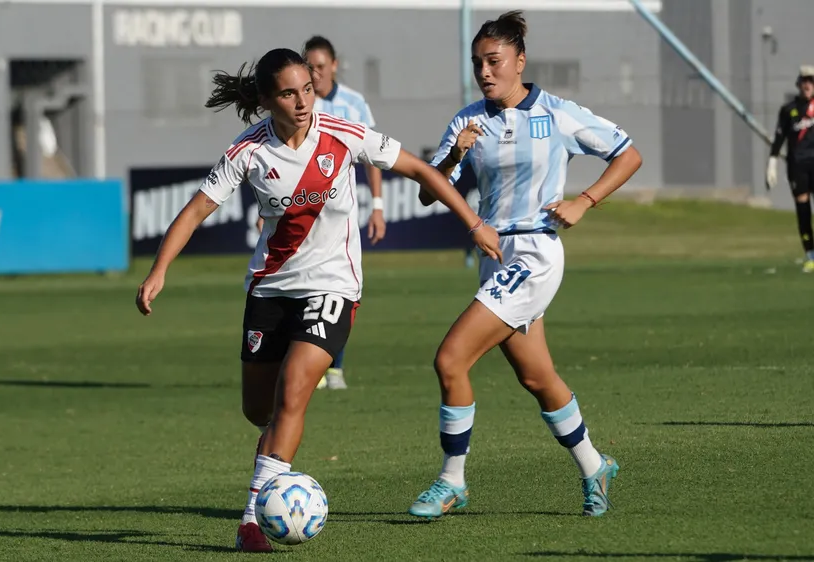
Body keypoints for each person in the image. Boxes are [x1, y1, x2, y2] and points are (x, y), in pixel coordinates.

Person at [134, 48, 495, 552]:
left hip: (333, 286)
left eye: (308, 89)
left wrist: (473, 223)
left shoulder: (343, 133)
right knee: (258, 409)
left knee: (295, 388)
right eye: (289, 93)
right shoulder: (249, 152)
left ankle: (252, 521)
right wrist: (159, 270)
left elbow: (419, 171)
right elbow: (195, 210)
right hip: (270, 289)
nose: (303, 101)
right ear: (266, 100)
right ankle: (277, 458)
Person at [408, 10, 643, 519]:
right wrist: (452, 160)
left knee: (450, 359)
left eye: (494, 61)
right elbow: (429, 195)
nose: (485, 72)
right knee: (537, 377)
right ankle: (594, 465)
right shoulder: (467, 120)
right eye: (478, 64)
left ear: (520, 61)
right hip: (494, 259)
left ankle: (452, 481)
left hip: (535, 255)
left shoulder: (556, 114)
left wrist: (585, 201)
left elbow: (627, 155)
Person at [256, 35, 386, 391]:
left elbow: (375, 156)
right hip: (298, 209)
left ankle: (333, 366)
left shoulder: (353, 104)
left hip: (336, 205)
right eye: (309, 66)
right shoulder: (289, 113)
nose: (315, 72)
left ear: (333, 65)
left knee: (335, 282)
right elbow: (278, 166)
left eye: (319, 66)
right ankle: (298, 359)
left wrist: (377, 205)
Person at [766, 65, 814, 273]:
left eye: (811, 81)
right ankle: (810, 255)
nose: (807, 85)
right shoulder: (789, 110)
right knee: (803, 212)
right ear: (798, 83)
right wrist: (772, 163)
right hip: (797, 166)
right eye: (804, 81)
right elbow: (779, 138)